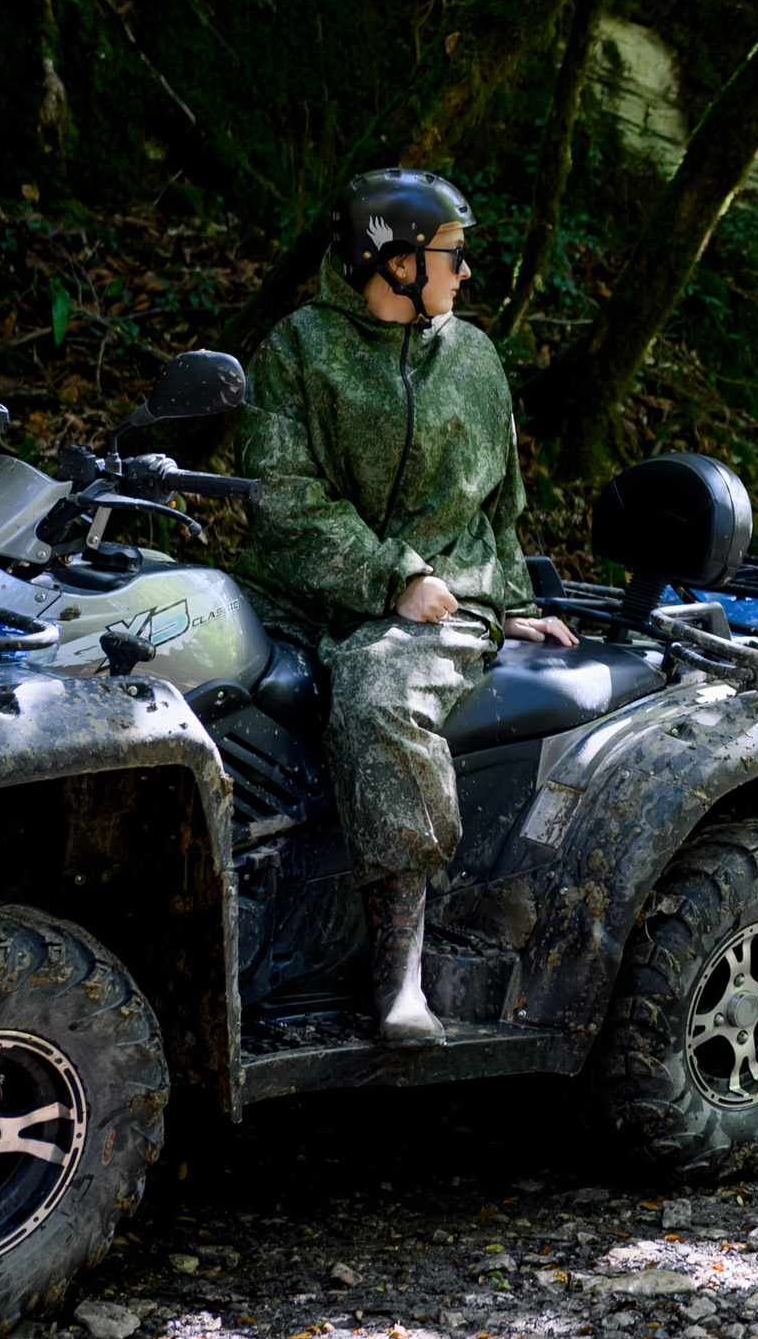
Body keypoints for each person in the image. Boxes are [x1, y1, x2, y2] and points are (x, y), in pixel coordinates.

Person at [236, 170, 573, 1050]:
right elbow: (280, 498)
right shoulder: (297, 351)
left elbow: (501, 505)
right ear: (391, 262)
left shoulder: (475, 358)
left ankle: (400, 971)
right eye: (451, 257)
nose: (465, 275)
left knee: (383, 695)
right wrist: (389, 572)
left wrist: (515, 601)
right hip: (303, 588)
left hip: (437, 605)